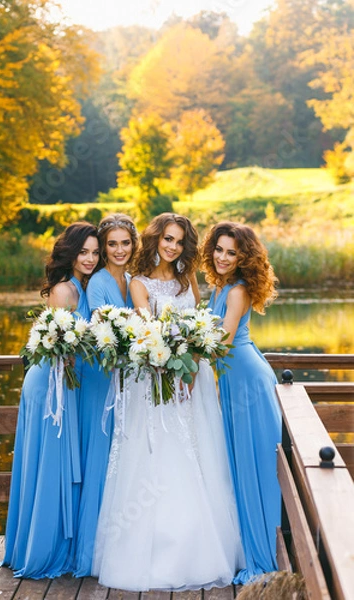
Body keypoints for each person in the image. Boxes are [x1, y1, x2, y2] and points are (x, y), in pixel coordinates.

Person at [92, 213, 244, 592]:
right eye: (167, 239)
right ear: (156, 239)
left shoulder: (188, 278)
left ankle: (200, 543)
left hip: (195, 376)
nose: (172, 247)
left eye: (179, 241)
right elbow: (149, 334)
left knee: (199, 453)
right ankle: (154, 550)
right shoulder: (139, 284)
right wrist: (173, 367)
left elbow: (200, 322)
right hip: (156, 378)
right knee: (158, 457)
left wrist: (192, 369)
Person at [1, 222, 101, 579]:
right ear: (70, 252)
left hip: (67, 384)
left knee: (57, 464)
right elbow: (66, 351)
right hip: (51, 386)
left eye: (94, 252)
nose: (89, 258)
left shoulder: (86, 286)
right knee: (50, 464)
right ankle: (44, 550)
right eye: (83, 251)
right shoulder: (63, 290)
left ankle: (51, 542)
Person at [202, 221, 281, 585]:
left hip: (248, 381)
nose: (222, 257)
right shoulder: (221, 287)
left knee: (253, 466)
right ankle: (248, 547)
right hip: (233, 383)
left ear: (243, 257)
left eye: (231, 252)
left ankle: (262, 557)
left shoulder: (237, 292)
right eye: (219, 249)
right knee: (238, 464)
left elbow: (222, 342)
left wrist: (178, 348)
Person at [74, 213, 138, 577]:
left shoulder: (132, 279)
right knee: (102, 456)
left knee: (122, 459)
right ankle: (91, 554)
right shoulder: (97, 282)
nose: (118, 250)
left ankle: (120, 544)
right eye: (111, 244)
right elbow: (103, 337)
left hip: (129, 379)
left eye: (124, 243)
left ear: (133, 244)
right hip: (102, 379)